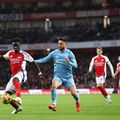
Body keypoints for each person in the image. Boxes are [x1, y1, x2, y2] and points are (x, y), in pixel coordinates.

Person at [35, 37, 80, 112]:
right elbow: (44, 59)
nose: (59, 45)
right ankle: (54, 104)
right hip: (58, 76)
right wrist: (33, 61)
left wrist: (70, 63)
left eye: (61, 44)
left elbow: (75, 65)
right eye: (58, 43)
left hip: (68, 78)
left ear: (65, 44)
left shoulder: (70, 54)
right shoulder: (54, 53)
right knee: (54, 86)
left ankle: (78, 101)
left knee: (74, 94)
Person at [0, 37, 41, 114]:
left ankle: (19, 98)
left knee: (15, 78)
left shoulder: (24, 54)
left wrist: (39, 72)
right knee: (5, 97)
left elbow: (33, 62)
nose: (15, 46)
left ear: (20, 45)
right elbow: (3, 57)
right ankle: (17, 108)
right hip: (13, 77)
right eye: (14, 45)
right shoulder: (10, 53)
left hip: (22, 74)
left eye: (17, 45)